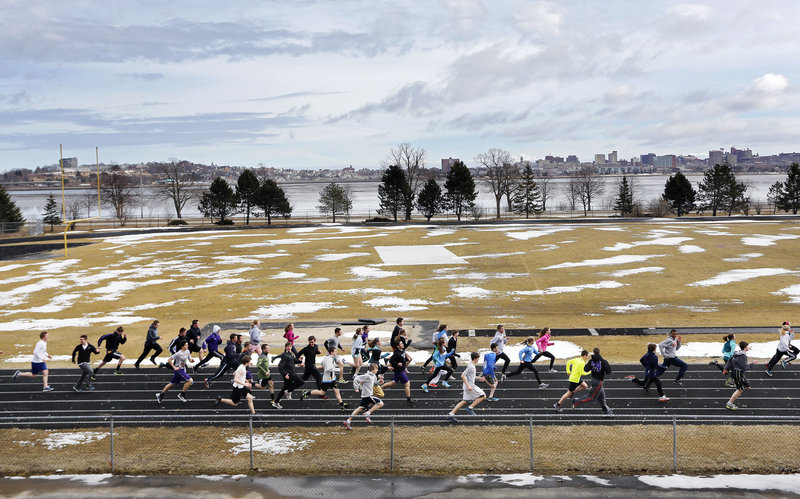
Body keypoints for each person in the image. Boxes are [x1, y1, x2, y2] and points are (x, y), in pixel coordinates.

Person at [446, 352, 487, 423]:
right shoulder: (471, 366)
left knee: (464, 401)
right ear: (475, 358)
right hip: (470, 386)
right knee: (483, 396)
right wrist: (468, 386)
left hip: (468, 386)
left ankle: (451, 414)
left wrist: (479, 378)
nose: (478, 359)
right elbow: (463, 375)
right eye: (478, 358)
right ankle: (470, 408)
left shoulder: (472, 365)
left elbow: (471, 376)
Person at [573, 348, 613, 415]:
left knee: (602, 397)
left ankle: (606, 411)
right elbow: (609, 372)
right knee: (592, 397)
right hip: (599, 382)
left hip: (594, 380)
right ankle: (576, 401)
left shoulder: (591, 361)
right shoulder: (603, 361)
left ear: (593, 353)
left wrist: (592, 367)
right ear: (599, 352)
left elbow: (585, 369)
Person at [343, 363, 384, 429]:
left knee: (360, 408)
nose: (377, 370)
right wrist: (356, 388)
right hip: (367, 395)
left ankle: (348, 421)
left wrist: (380, 382)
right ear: (373, 369)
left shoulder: (374, 376)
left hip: (366, 395)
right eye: (376, 369)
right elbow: (356, 379)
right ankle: (368, 413)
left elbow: (374, 384)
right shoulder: (367, 376)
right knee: (380, 403)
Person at [156, 339, 195, 403]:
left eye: (187, 345)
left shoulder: (187, 351)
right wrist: (174, 367)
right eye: (186, 345)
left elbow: (189, 358)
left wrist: (191, 360)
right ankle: (182, 394)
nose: (187, 346)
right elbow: (169, 360)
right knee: (190, 380)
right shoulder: (178, 353)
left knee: (172, 384)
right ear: (182, 346)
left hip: (183, 369)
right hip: (178, 370)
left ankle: (160, 395)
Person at [380, 338, 414, 406]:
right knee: (407, 383)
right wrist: (397, 364)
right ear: (398, 346)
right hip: (399, 371)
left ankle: (379, 388)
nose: (402, 344)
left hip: (399, 371)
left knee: (392, 383)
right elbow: (391, 360)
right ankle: (408, 399)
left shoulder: (401, 351)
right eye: (401, 344)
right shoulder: (397, 353)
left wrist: (406, 361)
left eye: (402, 343)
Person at [273, 341, 304, 408]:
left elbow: (292, 361)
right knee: (301, 382)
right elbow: (280, 366)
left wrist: (299, 361)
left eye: (290, 346)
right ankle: (288, 391)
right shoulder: (285, 355)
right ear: (285, 347)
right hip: (290, 374)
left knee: (284, 388)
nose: (289, 347)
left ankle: (276, 402)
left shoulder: (290, 354)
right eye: (288, 346)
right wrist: (285, 374)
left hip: (291, 373)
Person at [723, 341, 752, 410]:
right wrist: (752, 364)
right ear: (745, 347)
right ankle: (729, 404)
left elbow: (730, 360)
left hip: (736, 372)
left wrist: (726, 368)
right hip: (738, 372)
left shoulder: (737, 353)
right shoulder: (743, 356)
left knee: (740, 388)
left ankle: (730, 403)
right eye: (748, 346)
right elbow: (743, 367)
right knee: (740, 389)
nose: (749, 347)